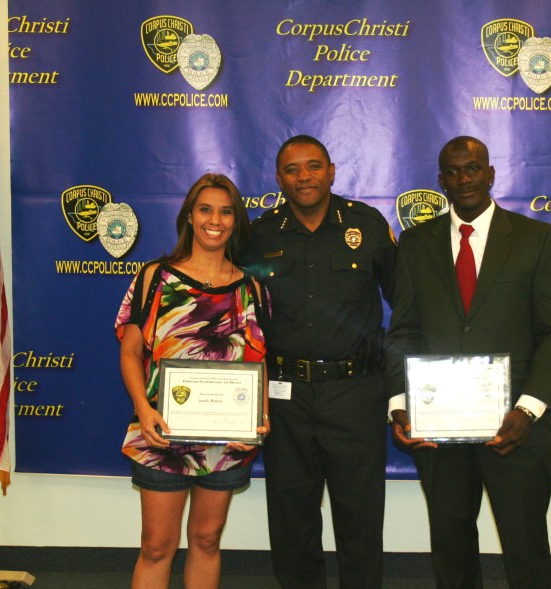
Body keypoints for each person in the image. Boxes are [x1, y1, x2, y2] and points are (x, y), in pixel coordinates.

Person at [385, 136, 551, 589]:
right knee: (451, 550)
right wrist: (399, 404)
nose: (463, 179)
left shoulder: (536, 239)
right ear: (440, 180)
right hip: (440, 431)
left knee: (526, 550)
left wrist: (528, 410)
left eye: (473, 168)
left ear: (490, 173)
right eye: (453, 171)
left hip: (515, 428)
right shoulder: (414, 243)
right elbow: (404, 331)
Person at [243, 135, 396, 588]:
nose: (303, 176)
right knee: (292, 519)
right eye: (292, 169)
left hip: (356, 392)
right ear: (278, 178)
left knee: (360, 517)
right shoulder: (258, 235)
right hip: (284, 396)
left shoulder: (367, 226)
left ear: (331, 171)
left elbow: (405, 305)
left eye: (313, 166)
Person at [116, 173, 270, 589]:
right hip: (161, 434)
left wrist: (260, 420)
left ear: (236, 221)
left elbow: (259, 361)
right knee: (155, 546)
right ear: (189, 216)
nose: (214, 219)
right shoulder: (154, 277)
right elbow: (130, 352)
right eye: (205, 209)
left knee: (206, 540)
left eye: (226, 211)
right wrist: (144, 409)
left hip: (227, 441)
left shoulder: (252, 287)